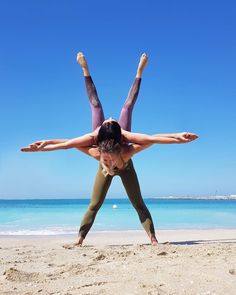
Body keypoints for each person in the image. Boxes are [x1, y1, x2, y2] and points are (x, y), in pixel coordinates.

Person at [21, 53, 198, 246]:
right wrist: (44, 145)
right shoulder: (95, 143)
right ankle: (79, 239)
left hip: (126, 166)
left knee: (127, 109)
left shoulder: (126, 145)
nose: (109, 118)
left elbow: (151, 139)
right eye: (105, 160)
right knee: (94, 204)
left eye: (109, 160)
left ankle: (153, 239)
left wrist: (178, 137)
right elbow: (68, 144)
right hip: (104, 150)